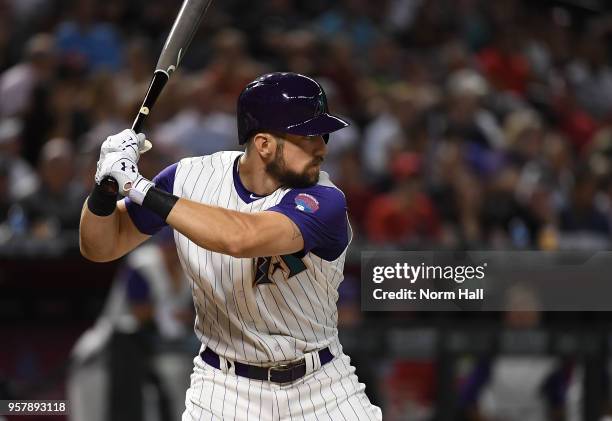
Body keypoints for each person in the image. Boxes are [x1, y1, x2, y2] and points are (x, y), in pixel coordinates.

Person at [79, 72, 382, 420]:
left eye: (323, 134)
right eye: (308, 135)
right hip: (224, 388)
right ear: (264, 144)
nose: (322, 147)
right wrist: (104, 188)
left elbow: (241, 238)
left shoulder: (325, 199)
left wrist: (136, 185)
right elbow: (100, 246)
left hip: (321, 386)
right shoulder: (187, 178)